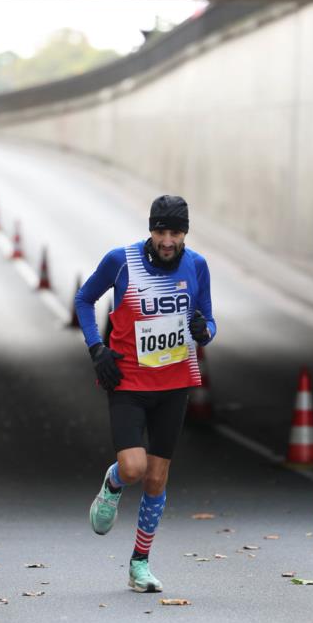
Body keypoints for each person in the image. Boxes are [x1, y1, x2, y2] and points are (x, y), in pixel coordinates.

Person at [75, 195, 216, 593]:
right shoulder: (121, 261)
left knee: (156, 478)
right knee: (134, 469)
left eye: (174, 232)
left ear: (184, 233)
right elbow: (85, 299)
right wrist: (95, 348)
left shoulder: (197, 266)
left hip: (175, 383)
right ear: (150, 230)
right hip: (128, 381)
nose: (166, 240)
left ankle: (140, 563)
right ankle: (113, 484)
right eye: (160, 231)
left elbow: (209, 319)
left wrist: (205, 330)